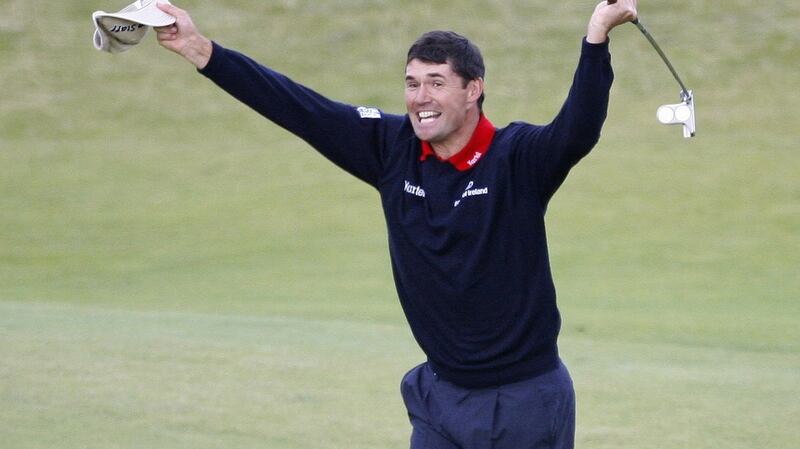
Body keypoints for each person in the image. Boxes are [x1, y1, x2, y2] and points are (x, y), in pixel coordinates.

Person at [155, 1, 638, 448]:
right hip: (439, 397)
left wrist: (597, 35)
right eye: (411, 83)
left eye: (436, 83)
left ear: (473, 90)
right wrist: (198, 49)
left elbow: (577, 129)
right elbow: (298, 107)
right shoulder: (391, 148)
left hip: (523, 400)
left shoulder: (517, 157)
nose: (420, 97)